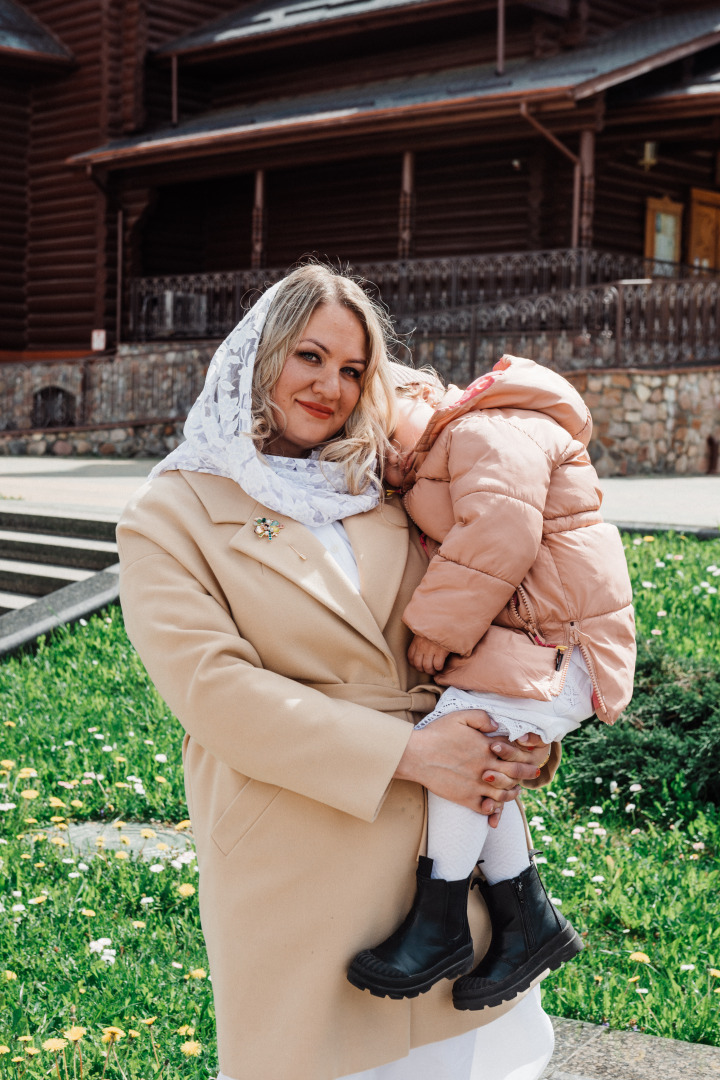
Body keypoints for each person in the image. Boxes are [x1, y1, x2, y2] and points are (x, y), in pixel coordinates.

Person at [116, 264, 558, 1080]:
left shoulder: (384, 490)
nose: (331, 386)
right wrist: (409, 755)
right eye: (310, 357)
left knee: (460, 1065)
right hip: (298, 850)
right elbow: (214, 691)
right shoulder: (170, 512)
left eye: (353, 369)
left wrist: (516, 743)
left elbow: (469, 639)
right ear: (260, 354)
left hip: (439, 860)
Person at [347, 357, 636, 1011]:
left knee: (462, 738)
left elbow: (502, 529)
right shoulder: (444, 453)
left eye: (382, 432)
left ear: (423, 394)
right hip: (544, 637)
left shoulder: (486, 429)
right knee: (485, 754)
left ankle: (440, 917)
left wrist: (440, 628)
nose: (384, 457)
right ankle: (526, 918)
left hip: (563, 640)